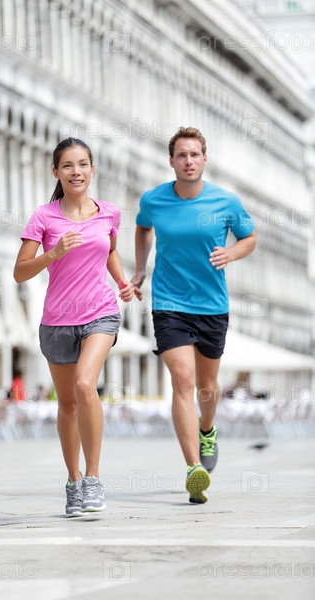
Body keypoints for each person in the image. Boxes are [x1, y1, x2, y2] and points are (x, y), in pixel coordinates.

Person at [13, 137, 140, 517]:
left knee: (86, 384)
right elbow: (20, 272)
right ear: (56, 172)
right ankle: (72, 481)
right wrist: (54, 253)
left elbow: (112, 250)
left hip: (100, 312)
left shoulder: (109, 213)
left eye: (83, 164)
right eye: (67, 166)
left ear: (92, 169)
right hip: (56, 321)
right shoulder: (44, 217)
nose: (76, 171)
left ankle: (93, 478)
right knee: (67, 405)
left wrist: (121, 283)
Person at [132, 127, 256, 504]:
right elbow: (142, 228)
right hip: (168, 303)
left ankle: (207, 429)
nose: (188, 161)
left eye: (195, 155)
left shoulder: (226, 201)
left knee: (207, 387)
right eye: (181, 155)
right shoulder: (154, 199)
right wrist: (140, 269)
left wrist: (231, 254)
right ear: (171, 161)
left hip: (212, 307)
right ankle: (193, 469)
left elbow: (249, 237)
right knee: (182, 381)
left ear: (205, 159)